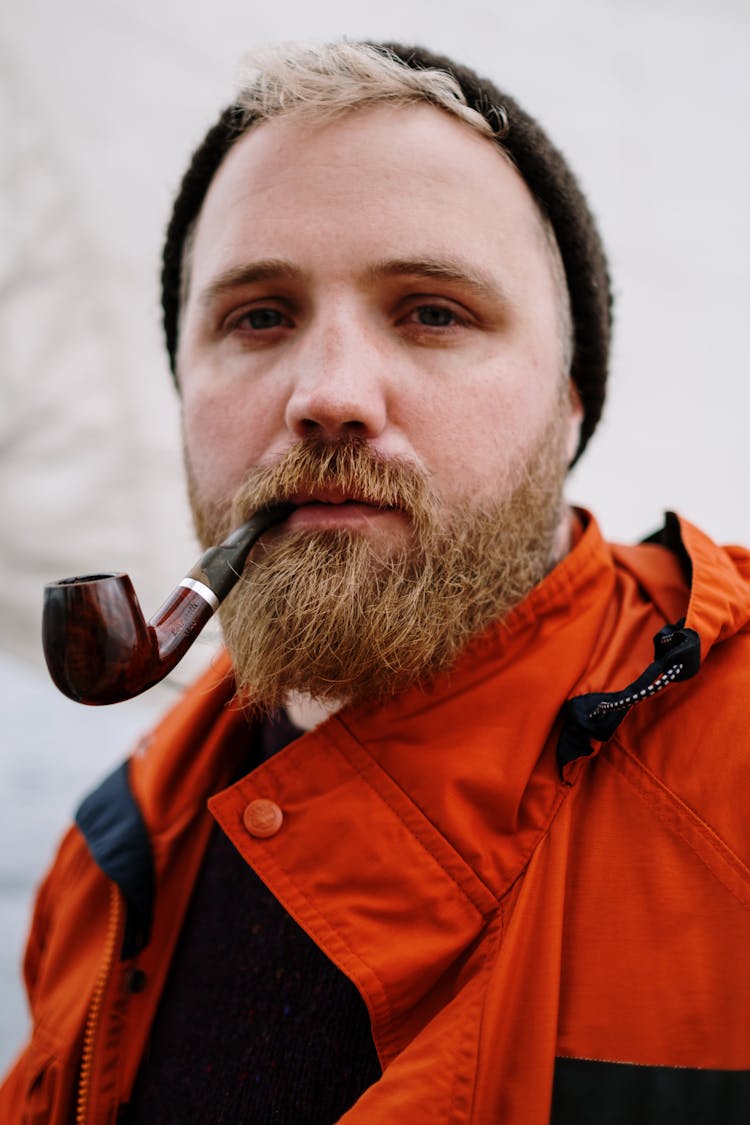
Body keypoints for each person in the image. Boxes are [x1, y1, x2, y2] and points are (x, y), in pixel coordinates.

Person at [2, 40, 750, 1125]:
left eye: (432, 311)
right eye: (259, 316)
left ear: (573, 400)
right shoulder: (110, 858)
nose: (330, 394)